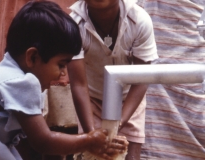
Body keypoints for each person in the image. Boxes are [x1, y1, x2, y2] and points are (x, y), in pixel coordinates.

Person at [0, 1, 128, 160]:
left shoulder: (4, 72)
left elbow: (27, 140)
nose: (63, 74)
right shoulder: (21, 82)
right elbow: (44, 141)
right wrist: (89, 140)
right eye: (61, 64)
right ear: (33, 57)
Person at [64, 0, 159, 159]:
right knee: (92, 153)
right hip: (91, 100)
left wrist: (118, 123)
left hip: (128, 98)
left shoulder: (139, 21)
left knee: (129, 153)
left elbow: (142, 79)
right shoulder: (74, 25)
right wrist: (91, 133)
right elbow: (79, 85)